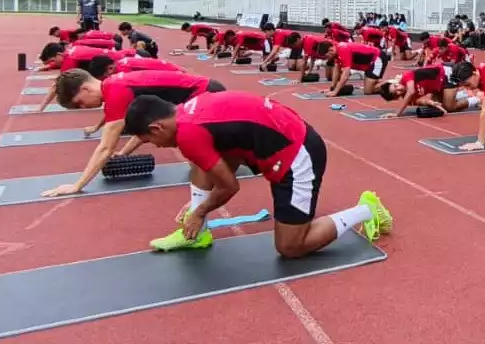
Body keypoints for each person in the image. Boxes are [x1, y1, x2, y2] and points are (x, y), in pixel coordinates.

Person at [122, 92, 393, 255]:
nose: (155, 146)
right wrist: (198, 206)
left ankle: (366, 209)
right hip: (278, 138)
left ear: (157, 128)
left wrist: (199, 211)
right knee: (202, 162)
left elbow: (230, 187)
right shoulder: (186, 112)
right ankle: (198, 235)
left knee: (290, 248)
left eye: (149, 140)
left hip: (297, 156)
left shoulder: (188, 134)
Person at [41, 69, 227, 200]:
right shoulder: (114, 85)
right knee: (193, 153)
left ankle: (206, 202)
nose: (83, 107)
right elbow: (142, 129)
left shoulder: (115, 92)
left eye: (80, 103)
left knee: (194, 153)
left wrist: (77, 186)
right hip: (204, 90)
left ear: (85, 89)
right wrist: (123, 154)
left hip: (206, 93)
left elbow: (105, 147)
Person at [378, 64, 480, 118]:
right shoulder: (407, 99)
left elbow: (411, 91)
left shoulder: (406, 77)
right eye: (396, 93)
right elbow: (421, 102)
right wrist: (432, 103)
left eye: (395, 86)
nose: (399, 89)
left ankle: (478, 99)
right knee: (440, 105)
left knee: (449, 107)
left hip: (446, 73)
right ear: (396, 97)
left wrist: (397, 113)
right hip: (437, 87)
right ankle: (463, 94)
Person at [314, 40, 390, 96]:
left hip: (377, 59)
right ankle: (377, 82)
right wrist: (332, 87)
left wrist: (335, 92)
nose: (327, 59)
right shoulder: (336, 51)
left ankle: (392, 83)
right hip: (368, 65)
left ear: (330, 51)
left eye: (327, 56)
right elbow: (336, 69)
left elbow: (346, 74)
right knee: (369, 88)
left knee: (368, 91)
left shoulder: (343, 49)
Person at [87, 55, 185, 80]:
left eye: (105, 76)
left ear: (110, 68)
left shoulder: (123, 70)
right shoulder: (120, 63)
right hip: (172, 69)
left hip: (175, 74)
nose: (107, 78)